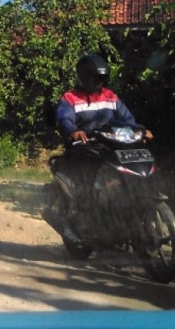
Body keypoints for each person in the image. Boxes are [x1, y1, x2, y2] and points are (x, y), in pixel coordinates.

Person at [54, 54, 153, 230]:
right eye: (94, 78)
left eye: (101, 78)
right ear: (84, 77)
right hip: (84, 147)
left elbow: (127, 117)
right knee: (88, 184)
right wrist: (74, 131)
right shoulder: (70, 98)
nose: (98, 82)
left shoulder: (110, 96)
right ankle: (85, 217)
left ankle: (123, 207)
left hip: (109, 144)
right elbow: (64, 119)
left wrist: (140, 129)